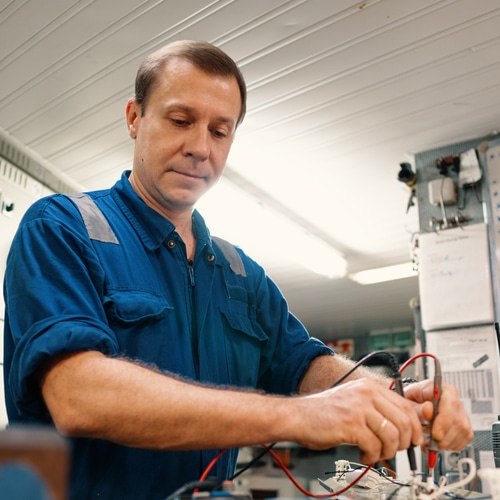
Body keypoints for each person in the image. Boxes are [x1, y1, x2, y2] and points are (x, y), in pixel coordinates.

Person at [3, 40, 473, 499]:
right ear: (134, 117)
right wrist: (300, 416)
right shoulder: (63, 228)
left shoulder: (239, 273)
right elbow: (79, 396)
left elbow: (303, 364)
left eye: (219, 131)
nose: (199, 147)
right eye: (181, 120)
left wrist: (395, 396)